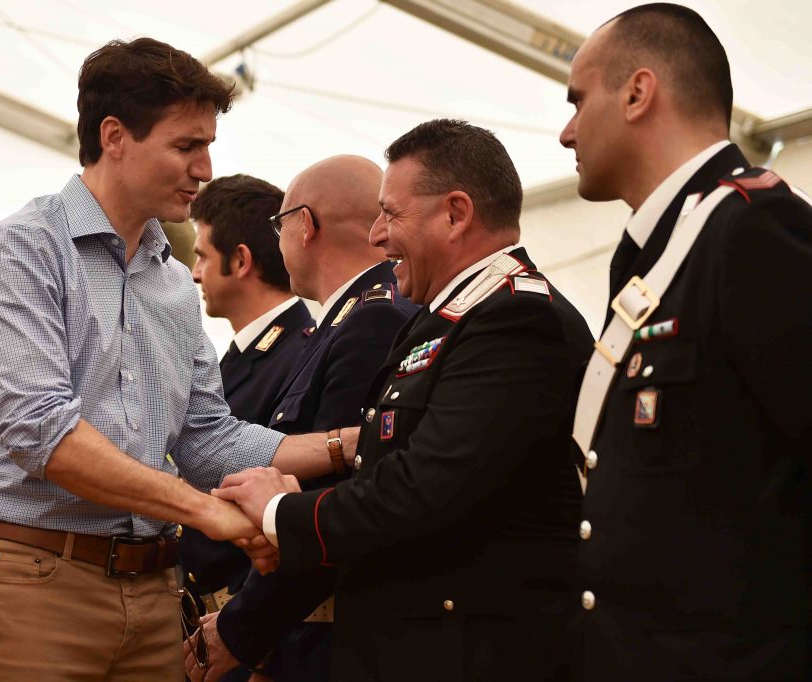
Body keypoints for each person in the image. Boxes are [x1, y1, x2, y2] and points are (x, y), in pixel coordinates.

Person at [0, 38, 346, 681]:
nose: (205, 169)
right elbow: (43, 432)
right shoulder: (21, 248)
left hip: (155, 596)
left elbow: (207, 438)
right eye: (187, 146)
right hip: (30, 587)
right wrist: (208, 511)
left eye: (207, 146)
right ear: (114, 137)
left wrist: (347, 445)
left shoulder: (171, 281)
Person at [214, 120, 591, 681]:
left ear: (455, 214)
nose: (376, 236)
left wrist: (281, 513)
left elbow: (425, 488)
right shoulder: (448, 319)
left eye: (391, 214)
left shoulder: (517, 317)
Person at [559, 4, 812, 680]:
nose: (566, 131)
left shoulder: (753, 229)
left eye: (578, 101)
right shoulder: (656, 250)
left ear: (638, 93)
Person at [186, 156, 418, 682]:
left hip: (321, 642)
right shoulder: (345, 322)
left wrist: (245, 632)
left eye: (280, 226)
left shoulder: (373, 320)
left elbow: (331, 504)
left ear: (305, 225)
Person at [180, 174, 313, 681]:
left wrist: (257, 644)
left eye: (202, 256)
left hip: (253, 640)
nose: (194, 273)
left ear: (240, 261)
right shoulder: (234, 359)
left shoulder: (302, 353)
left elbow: (297, 502)